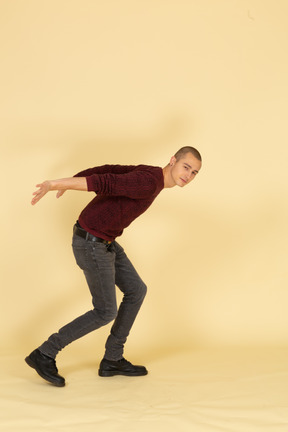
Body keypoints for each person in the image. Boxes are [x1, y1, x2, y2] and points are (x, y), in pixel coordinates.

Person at [25, 146, 202, 387]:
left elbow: (110, 169)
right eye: (186, 167)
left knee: (136, 290)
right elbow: (105, 181)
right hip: (91, 243)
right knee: (105, 311)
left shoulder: (153, 177)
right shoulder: (148, 182)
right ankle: (44, 353)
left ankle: (112, 359)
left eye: (194, 173)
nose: (188, 175)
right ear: (172, 160)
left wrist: (73, 179)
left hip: (105, 241)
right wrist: (56, 183)